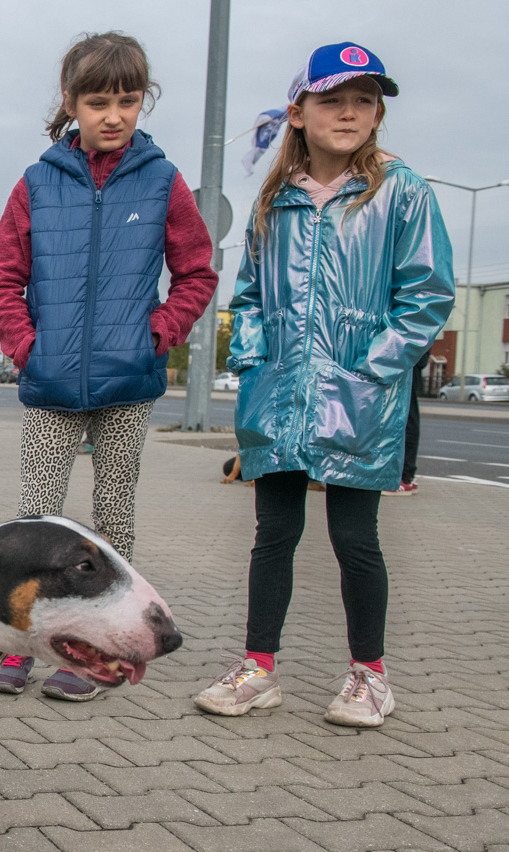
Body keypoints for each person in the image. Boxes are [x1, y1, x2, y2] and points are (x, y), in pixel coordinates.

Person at [193, 43, 453, 729]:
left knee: (355, 538)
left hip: (360, 399)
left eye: (364, 100)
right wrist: (252, 363)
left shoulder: (402, 192)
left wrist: (370, 370)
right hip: (277, 398)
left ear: (377, 113)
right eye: (333, 99)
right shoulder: (273, 199)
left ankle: (370, 676)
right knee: (273, 533)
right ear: (299, 112)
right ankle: (258, 668)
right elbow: (248, 293)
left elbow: (426, 294)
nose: (349, 112)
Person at [0, 31, 217, 701]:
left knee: (113, 518)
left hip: (127, 382)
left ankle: (100, 650)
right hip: (51, 383)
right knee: (35, 517)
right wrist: (26, 344)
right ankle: (19, 643)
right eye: (98, 101)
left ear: (143, 102)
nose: (113, 115)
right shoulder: (36, 183)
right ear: (71, 104)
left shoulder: (164, 181)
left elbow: (197, 273)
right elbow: (4, 277)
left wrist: (159, 334)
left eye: (128, 100)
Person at [384, 353, 429, 496]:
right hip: (406, 354)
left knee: (405, 414)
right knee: (405, 413)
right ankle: (405, 476)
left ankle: (403, 477)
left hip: (406, 354)